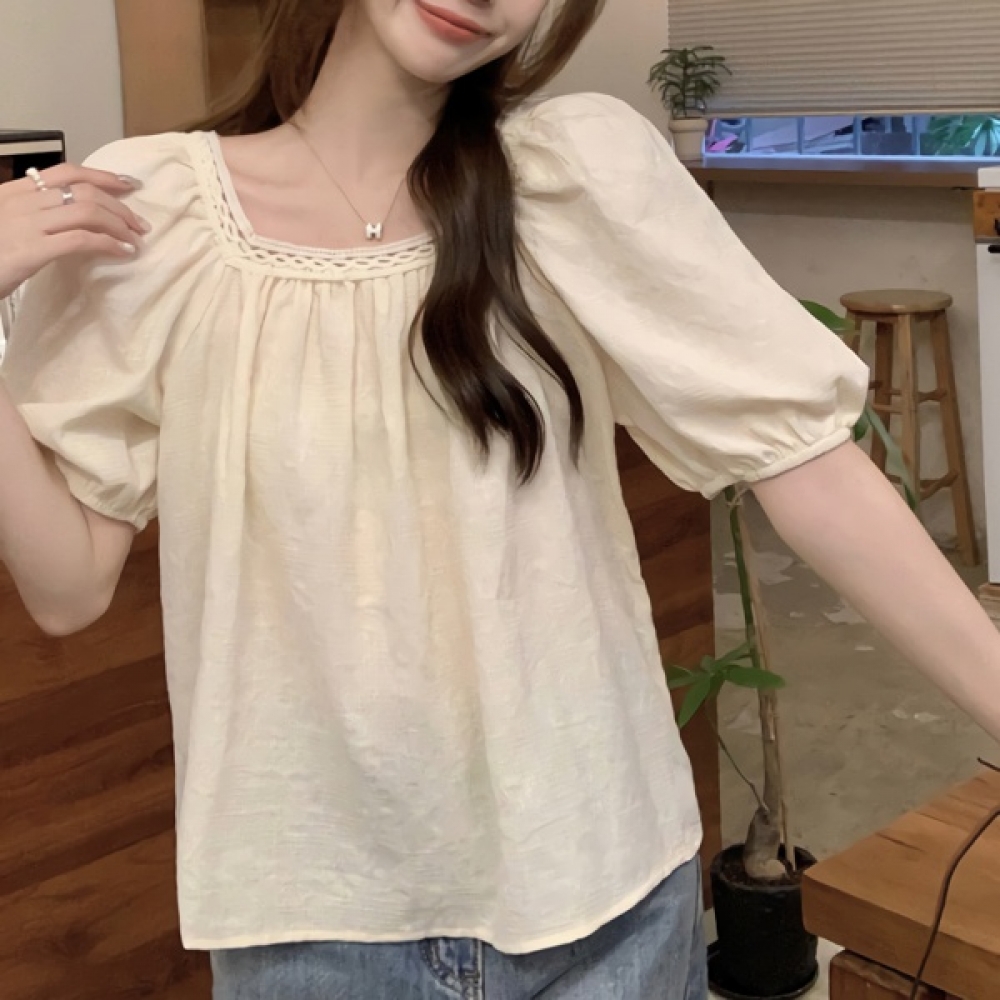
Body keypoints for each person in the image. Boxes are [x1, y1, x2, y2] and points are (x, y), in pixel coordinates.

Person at [1, 0, 999, 997]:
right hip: (318, 920)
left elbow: (809, 467)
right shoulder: (153, 210)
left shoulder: (576, 176)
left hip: (607, 892)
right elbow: (67, 586)